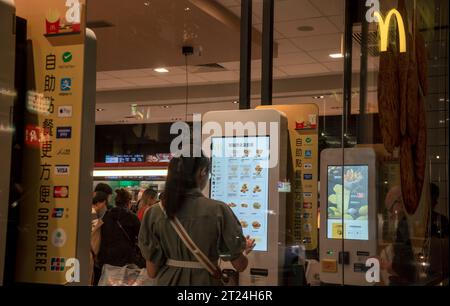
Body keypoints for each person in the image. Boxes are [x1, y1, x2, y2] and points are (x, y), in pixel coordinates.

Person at [138, 153, 255, 286]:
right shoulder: (219, 210)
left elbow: (152, 272)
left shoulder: (154, 213)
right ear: (202, 172)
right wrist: (244, 250)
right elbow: (240, 265)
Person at [97, 189, 144, 273]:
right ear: (128, 202)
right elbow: (142, 237)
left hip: (107, 258)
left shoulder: (106, 216)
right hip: (126, 258)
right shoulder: (132, 217)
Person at [380, 186, 417, 286]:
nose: (391, 214)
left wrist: (388, 266)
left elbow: (404, 264)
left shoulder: (404, 223)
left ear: (400, 202)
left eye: (391, 209)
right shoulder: (408, 221)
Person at [90, 192, 108, 285]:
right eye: (104, 204)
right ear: (100, 203)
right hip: (88, 255)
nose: (104, 207)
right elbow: (93, 239)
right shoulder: (92, 214)